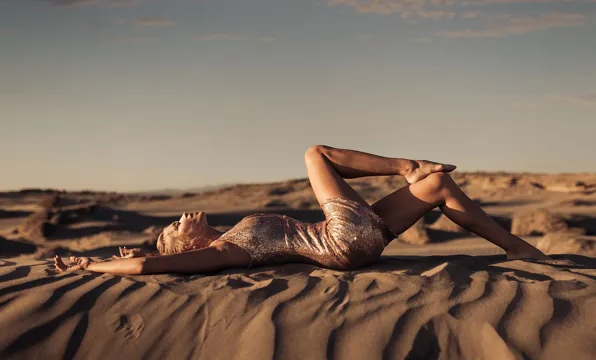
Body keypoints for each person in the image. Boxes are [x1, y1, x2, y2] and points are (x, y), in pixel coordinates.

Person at [54, 145, 550, 274]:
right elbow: (146, 264)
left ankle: (521, 249)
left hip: (356, 238)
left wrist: (106, 259)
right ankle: (407, 163)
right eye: (175, 226)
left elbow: (143, 257)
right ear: (188, 246)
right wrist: (89, 263)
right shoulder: (220, 252)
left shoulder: (226, 242)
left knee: (440, 186)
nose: (182, 217)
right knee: (316, 154)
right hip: (342, 240)